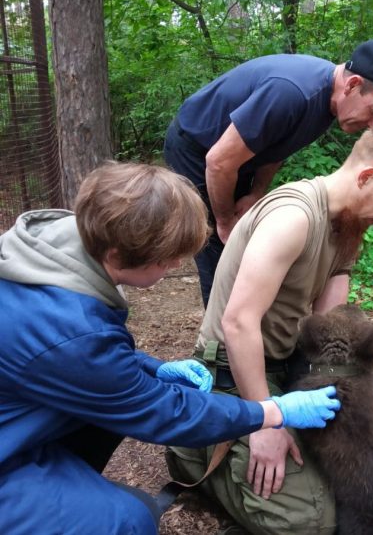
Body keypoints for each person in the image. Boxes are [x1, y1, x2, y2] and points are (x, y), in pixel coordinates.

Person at [0, 163, 341, 535]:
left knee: (104, 427)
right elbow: (166, 413)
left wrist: (151, 369)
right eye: (167, 259)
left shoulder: (55, 250)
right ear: (117, 254)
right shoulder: (73, 331)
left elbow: (73, 364)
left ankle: (63, 481)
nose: (178, 264)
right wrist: (271, 412)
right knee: (129, 522)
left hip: (15, 419)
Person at [167, 127, 373, 535]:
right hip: (235, 370)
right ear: (366, 177)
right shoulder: (293, 217)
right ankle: (194, 447)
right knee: (308, 522)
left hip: (287, 366)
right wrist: (265, 423)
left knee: (371, 479)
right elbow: (238, 324)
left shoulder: (347, 226)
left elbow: (329, 332)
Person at [165, 38, 373, 307]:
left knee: (245, 235)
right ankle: (220, 339)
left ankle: (249, 318)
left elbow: (278, 146)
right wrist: (225, 221)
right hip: (196, 147)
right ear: (353, 84)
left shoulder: (328, 104)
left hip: (236, 158)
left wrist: (255, 193)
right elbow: (218, 162)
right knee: (219, 244)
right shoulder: (294, 93)